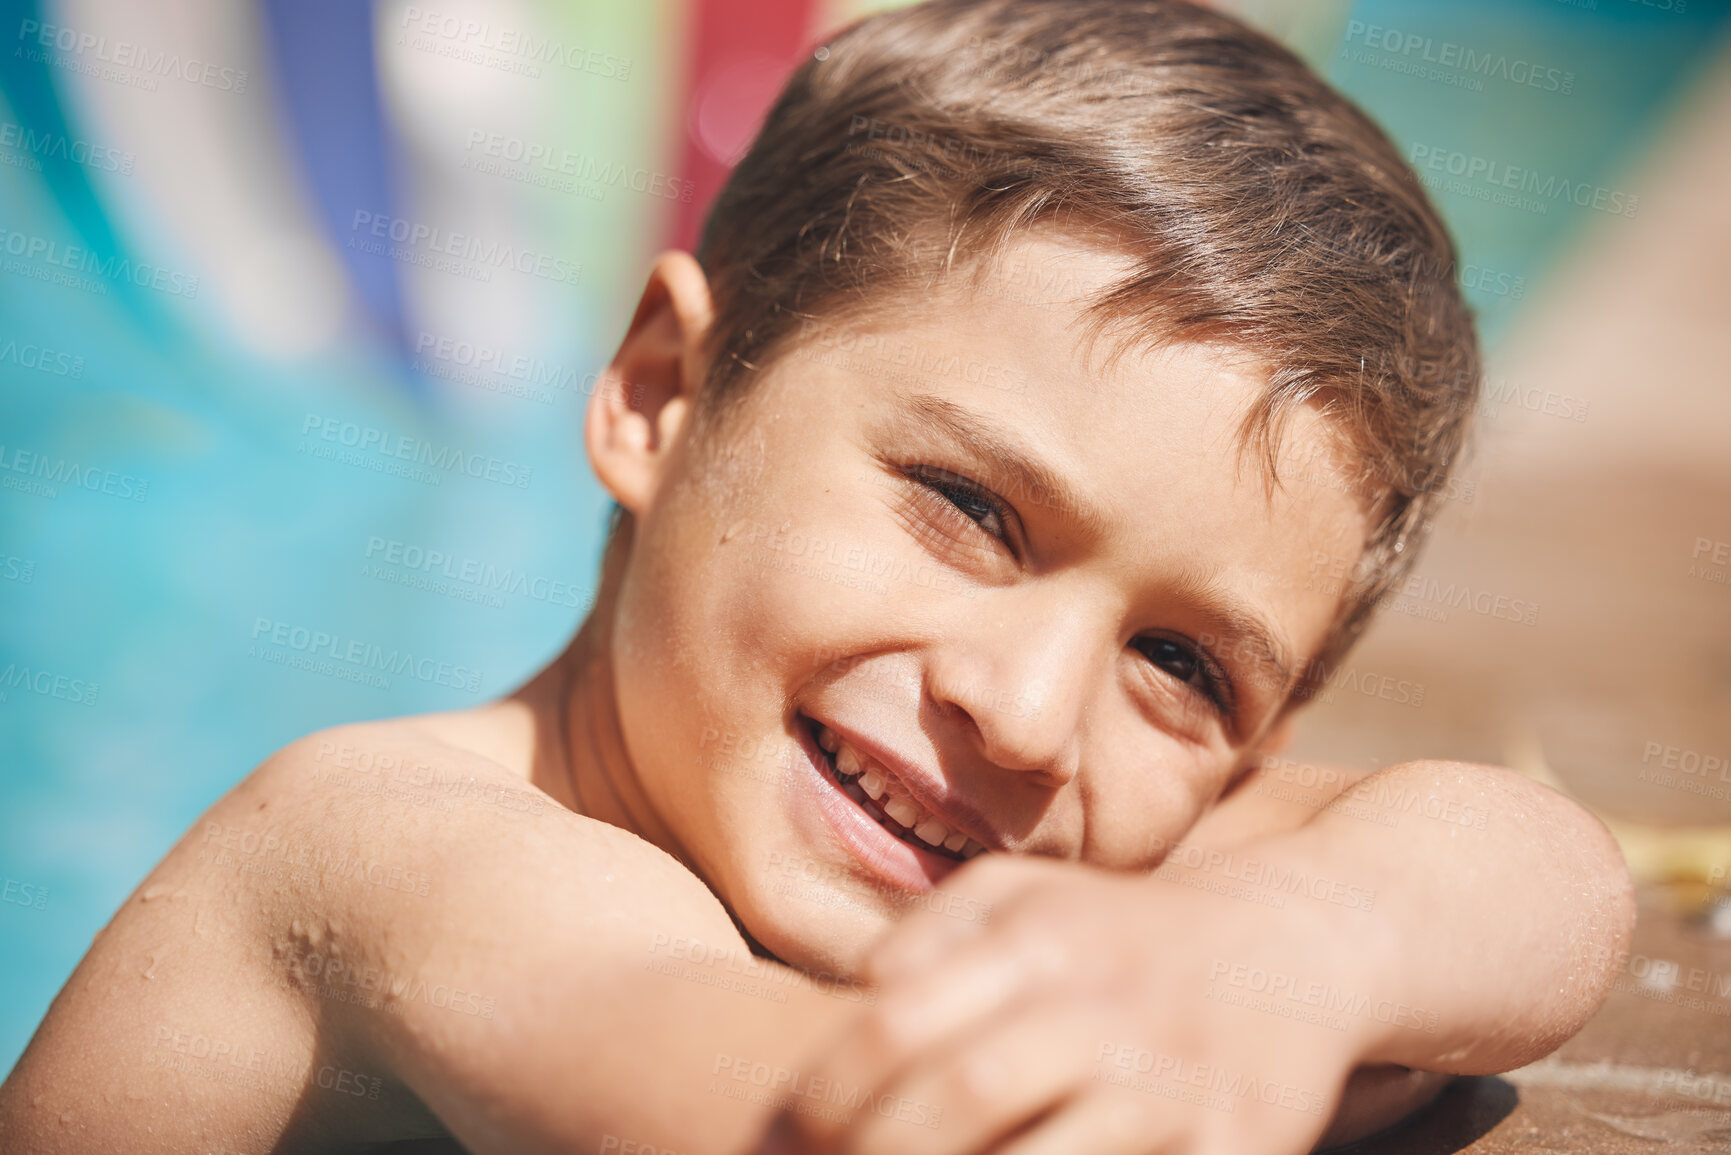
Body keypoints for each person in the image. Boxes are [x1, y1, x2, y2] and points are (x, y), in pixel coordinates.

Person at [0, 1, 1634, 1152]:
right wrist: (1198, 1043)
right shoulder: (385, 855)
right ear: (657, 395)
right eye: (967, 509)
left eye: (1186, 667)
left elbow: (1545, 874)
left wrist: (1291, 960)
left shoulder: (1016, 799)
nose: (1030, 712)